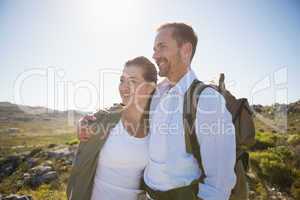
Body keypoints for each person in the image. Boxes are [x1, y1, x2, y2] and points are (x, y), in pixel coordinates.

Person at [142, 23, 236, 200]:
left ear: (185, 50)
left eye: (161, 47)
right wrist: (95, 119)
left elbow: (219, 185)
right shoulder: (156, 94)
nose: (154, 55)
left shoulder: (207, 100)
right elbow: (127, 107)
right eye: (154, 49)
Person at [67, 56, 157, 200]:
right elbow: (81, 164)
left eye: (132, 81)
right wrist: (82, 123)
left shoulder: (157, 127)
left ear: (149, 88)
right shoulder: (104, 119)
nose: (124, 87)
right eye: (122, 80)